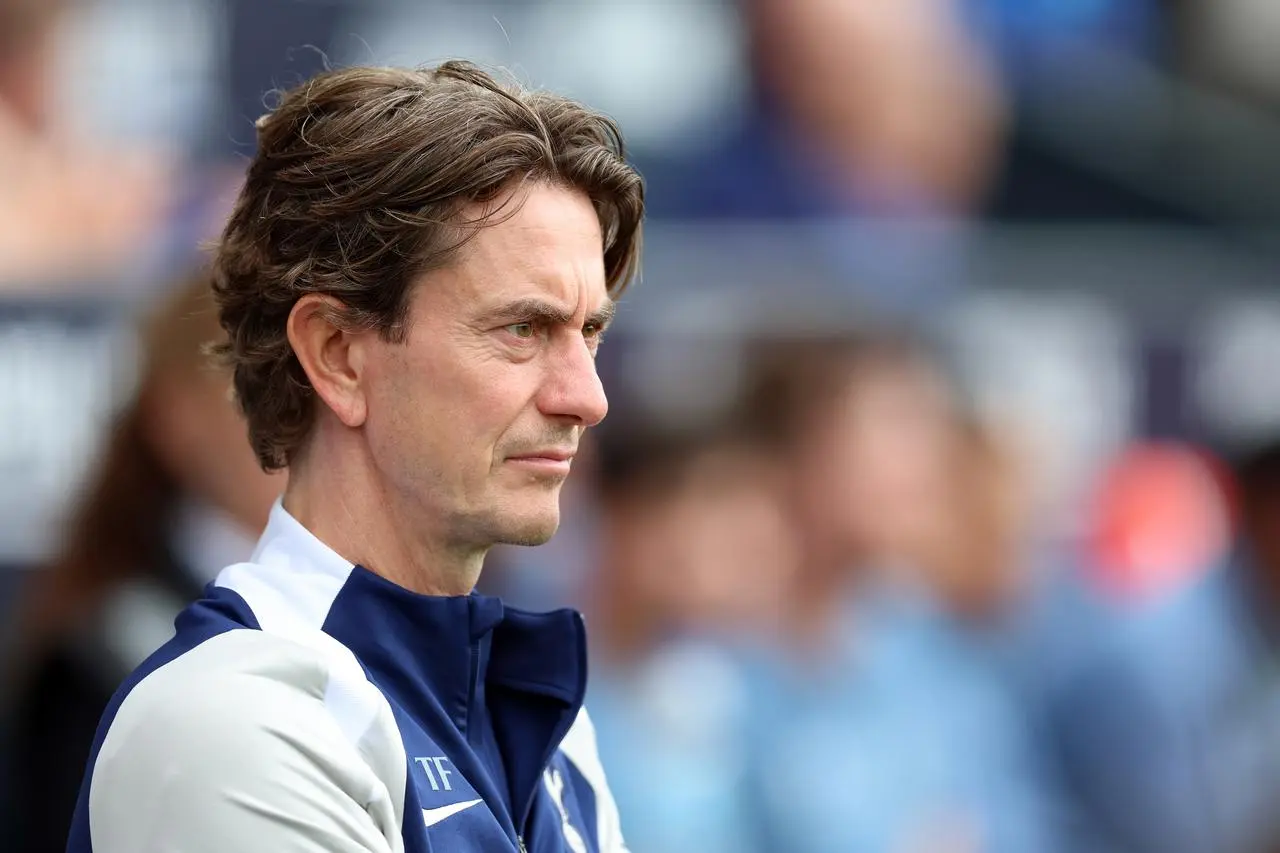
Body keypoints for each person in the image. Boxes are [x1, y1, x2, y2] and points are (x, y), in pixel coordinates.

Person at [65, 60, 644, 853]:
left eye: (589, 333)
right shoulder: (232, 720)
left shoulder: (549, 723)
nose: (587, 397)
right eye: (523, 329)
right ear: (338, 354)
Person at [1, 270, 283, 853]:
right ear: (176, 416)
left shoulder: (432, 607)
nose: (303, 420)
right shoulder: (107, 654)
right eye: (264, 388)